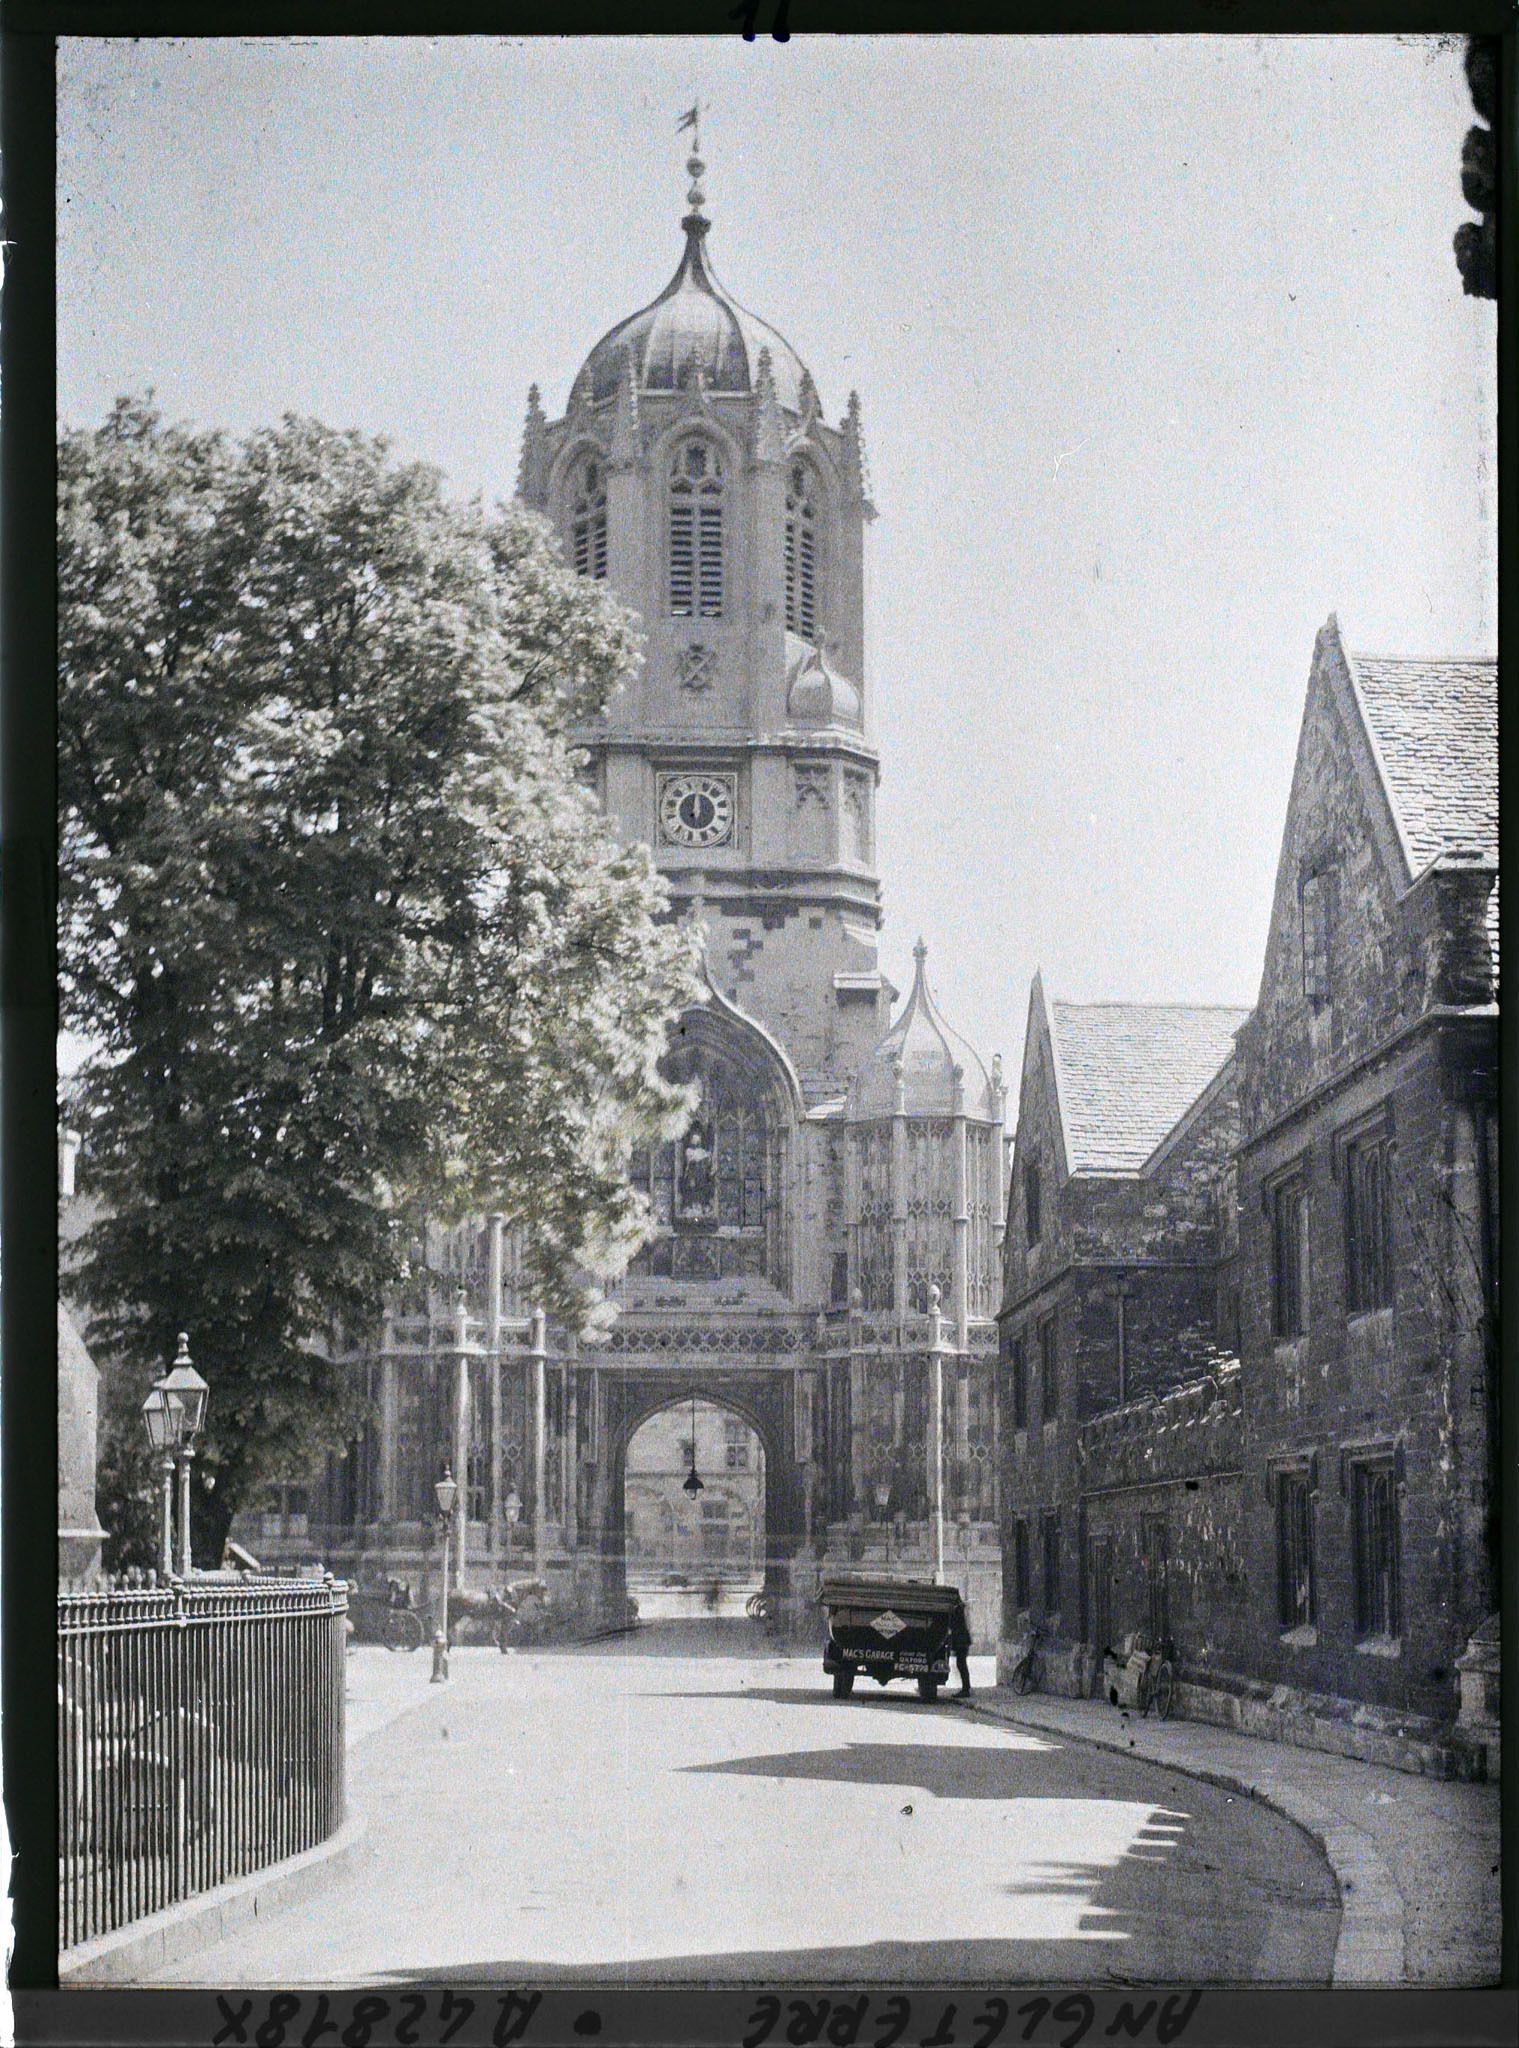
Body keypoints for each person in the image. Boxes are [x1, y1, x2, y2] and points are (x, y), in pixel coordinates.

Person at [949, 1592, 973, 1698]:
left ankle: (966, 1689)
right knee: (961, 1664)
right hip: (962, 1639)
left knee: (961, 1664)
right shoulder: (959, 1608)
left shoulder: (957, 1610)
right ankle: (966, 1687)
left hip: (961, 1640)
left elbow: (953, 1623)